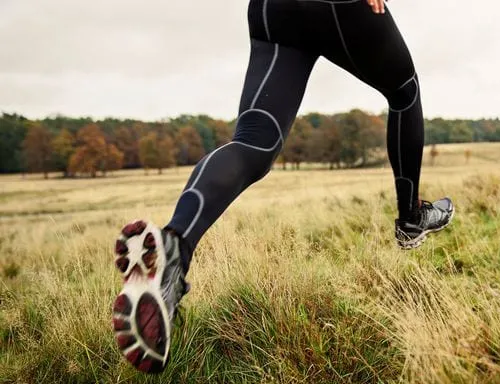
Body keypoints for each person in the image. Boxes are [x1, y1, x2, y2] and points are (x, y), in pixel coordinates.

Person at [110, 0, 454, 374]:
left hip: (274, 12)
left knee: (254, 144)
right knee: (404, 91)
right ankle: (411, 218)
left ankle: (174, 248)